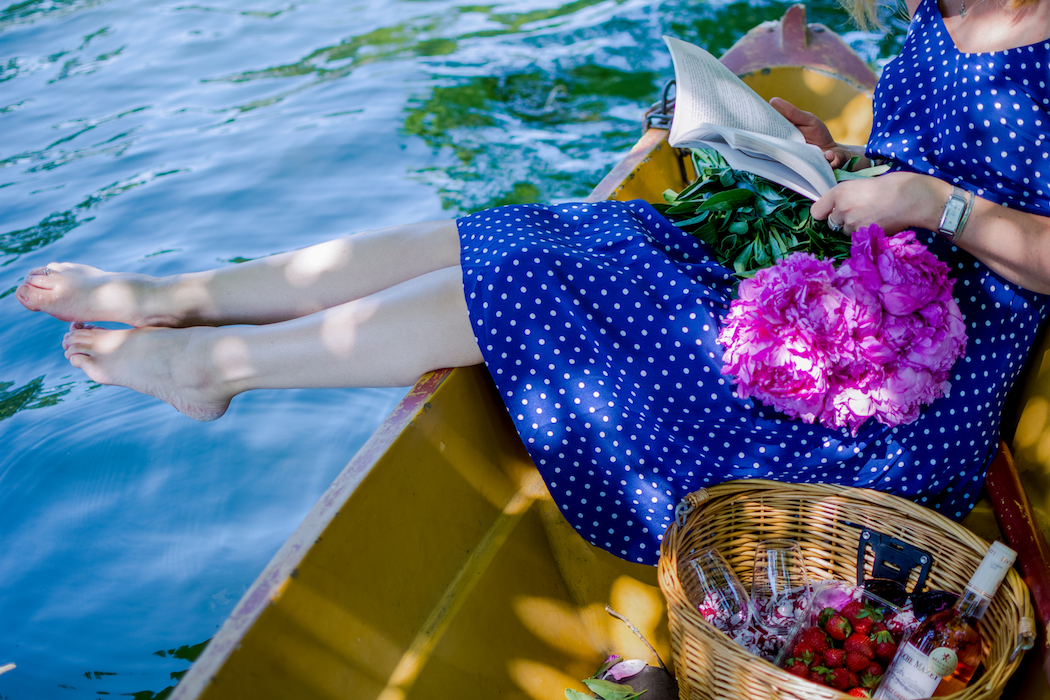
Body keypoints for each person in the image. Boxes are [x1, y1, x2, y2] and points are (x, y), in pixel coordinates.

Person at [16, 0, 1050, 565]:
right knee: (530, 233)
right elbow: (933, 151)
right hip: (845, 274)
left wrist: (934, 207)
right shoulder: (937, 5)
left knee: (532, 277)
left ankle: (209, 364)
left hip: (904, 389)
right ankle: (183, 294)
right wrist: (834, 153)